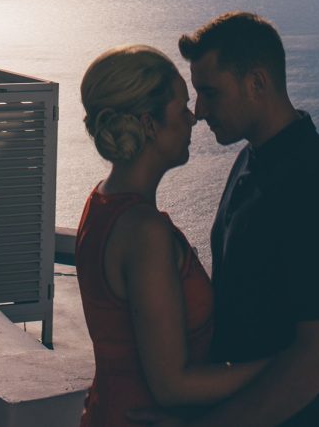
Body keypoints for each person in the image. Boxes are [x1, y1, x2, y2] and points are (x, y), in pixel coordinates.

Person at [148, 10, 319, 427]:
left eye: (210, 92)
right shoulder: (252, 161)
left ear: (257, 83)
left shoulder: (317, 184)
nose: (198, 110)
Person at [75, 44, 268, 427]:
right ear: (148, 123)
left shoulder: (100, 202)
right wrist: (284, 366)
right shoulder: (145, 233)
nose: (194, 117)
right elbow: (173, 386)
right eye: (181, 108)